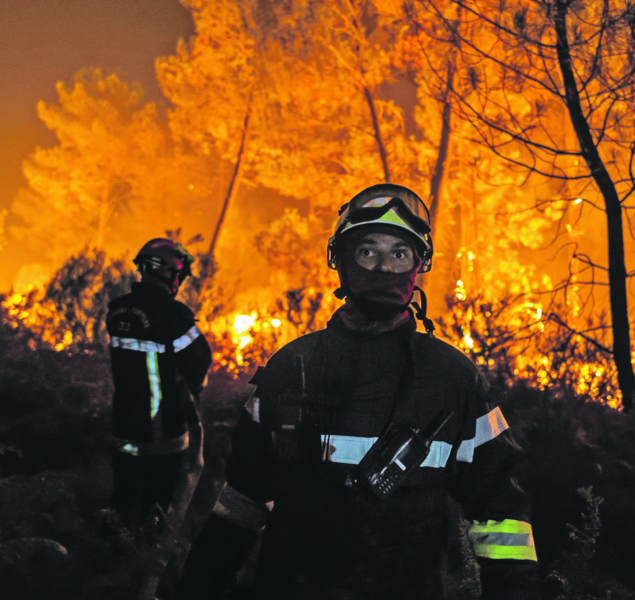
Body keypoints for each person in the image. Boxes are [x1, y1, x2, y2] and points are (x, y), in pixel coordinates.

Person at [176, 184, 542, 599]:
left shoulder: (453, 380)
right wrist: (197, 586)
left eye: (399, 254)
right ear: (342, 261)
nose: (384, 268)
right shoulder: (290, 368)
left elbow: (500, 514)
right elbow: (243, 500)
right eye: (368, 252)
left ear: (419, 265)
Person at [106, 238, 212, 530]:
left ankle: (107, 551)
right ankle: (149, 553)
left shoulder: (117, 311)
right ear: (170, 273)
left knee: (121, 503)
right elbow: (199, 365)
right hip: (163, 436)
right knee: (156, 511)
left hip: (123, 430)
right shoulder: (174, 316)